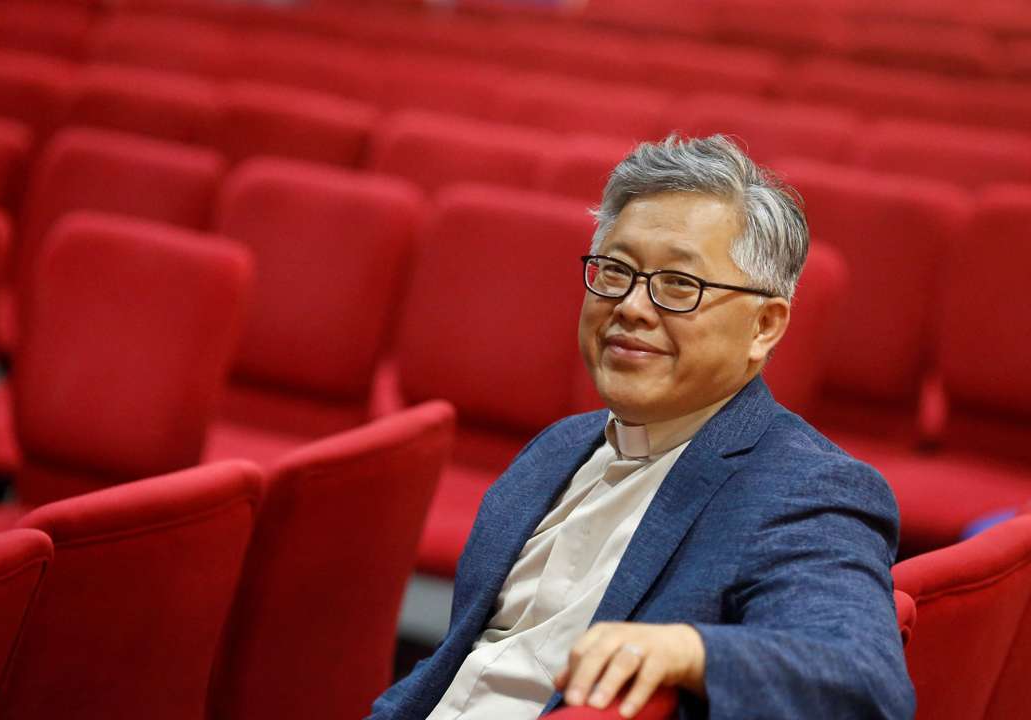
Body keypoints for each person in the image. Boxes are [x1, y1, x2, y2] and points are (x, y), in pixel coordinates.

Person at [368, 134, 914, 719]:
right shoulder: (554, 451)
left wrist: (691, 648)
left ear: (764, 326)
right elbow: (462, 666)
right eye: (615, 271)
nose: (630, 305)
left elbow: (865, 682)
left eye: (680, 284)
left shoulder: (804, 490)